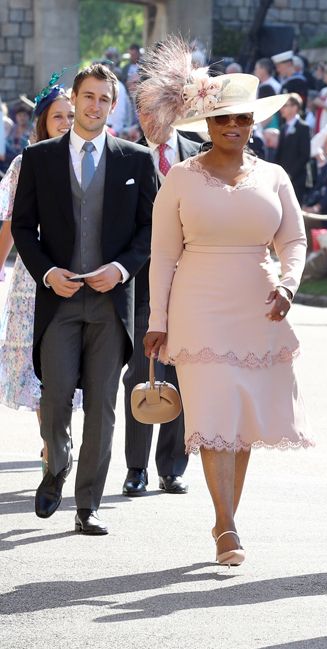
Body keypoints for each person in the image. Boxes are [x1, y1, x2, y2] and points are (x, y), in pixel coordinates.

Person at [142, 45, 311, 565]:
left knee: (239, 426)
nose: (233, 125)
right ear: (207, 122)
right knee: (214, 415)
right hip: (198, 309)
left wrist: (288, 285)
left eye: (242, 118)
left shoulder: (275, 176)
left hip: (259, 309)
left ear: (253, 123)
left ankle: (226, 520)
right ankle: (227, 526)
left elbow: (295, 240)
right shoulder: (180, 177)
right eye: (223, 118)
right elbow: (163, 254)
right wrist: (157, 321)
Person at [11, 63, 156, 535]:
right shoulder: (40, 158)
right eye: (88, 97)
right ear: (74, 100)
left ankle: (87, 503)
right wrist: (48, 273)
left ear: (114, 107)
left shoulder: (136, 160)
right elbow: (23, 229)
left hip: (112, 303)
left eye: (104, 100)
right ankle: (57, 463)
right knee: (54, 398)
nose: (95, 107)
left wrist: (119, 269)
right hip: (60, 300)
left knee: (103, 405)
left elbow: (149, 230)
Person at [120, 51, 205, 498]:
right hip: (141, 286)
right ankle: (136, 468)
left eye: (162, 107)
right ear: (139, 113)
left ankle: (173, 465)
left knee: (184, 374)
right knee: (141, 372)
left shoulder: (199, 153)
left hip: (193, 285)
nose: (155, 117)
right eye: (146, 109)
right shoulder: (127, 158)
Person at [0, 78, 80, 465]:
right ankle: (52, 442)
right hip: (33, 279)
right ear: (43, 122)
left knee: (71, 364)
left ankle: (61, 435)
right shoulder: (25, 162)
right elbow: (11, 222)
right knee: (38, 368)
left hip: (79, 274)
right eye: (58, 116)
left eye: (71, 115)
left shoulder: (90, 160)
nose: (65, 122)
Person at [276, 93, 311, 203]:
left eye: (285, 105)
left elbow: (305, 155)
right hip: (282, 179)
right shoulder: (283, 128)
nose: (282, 109)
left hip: (296, 179)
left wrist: (290, 174)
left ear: (295, 107)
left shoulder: (303, 127)